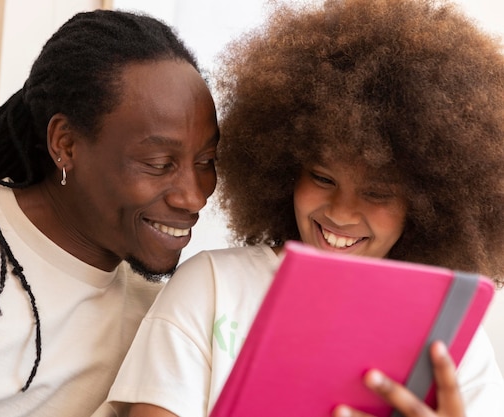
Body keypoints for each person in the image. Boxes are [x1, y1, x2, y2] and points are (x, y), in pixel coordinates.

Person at [104, 0, 504, 416]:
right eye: (323, 178)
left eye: (378, 193)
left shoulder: (450, 338)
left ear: (426, 204)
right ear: (286, 169)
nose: (342, 212)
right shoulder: (213, 286)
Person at [0, 9, 219, 417]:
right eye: (159, 162)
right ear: (66, 144)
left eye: (206, 161)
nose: (194, 197)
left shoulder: (169, 314)